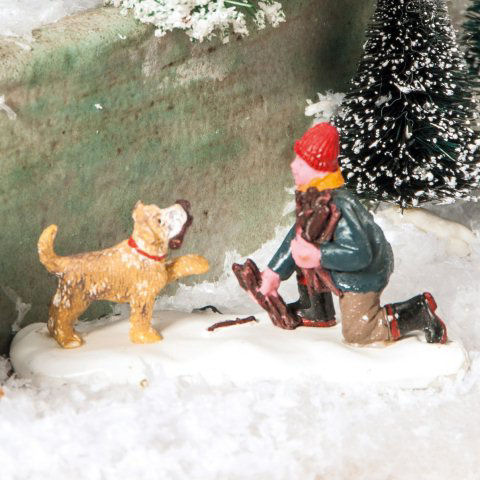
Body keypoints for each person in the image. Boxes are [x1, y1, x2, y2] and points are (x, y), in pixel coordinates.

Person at [258, 123, 447, 345]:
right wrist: (274, 273)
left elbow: (360, 254)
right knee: (305, 249)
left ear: (318, 168)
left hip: (364, 273)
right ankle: (316, 308)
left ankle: (417, 312)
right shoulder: (315, 198)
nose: (293, 167)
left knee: (359, 333)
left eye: (301, 163)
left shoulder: (341, 206)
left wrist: (318, 255)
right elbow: (298, 236)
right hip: (342, 260)